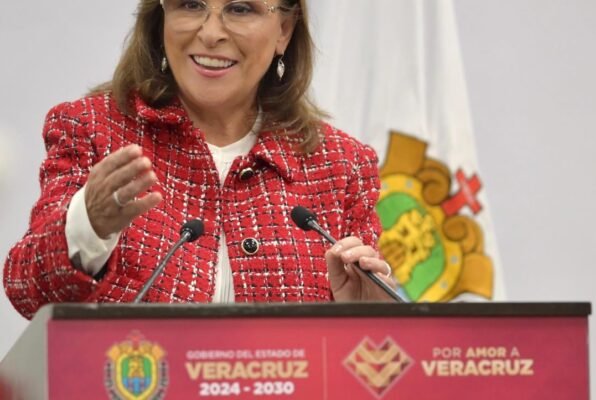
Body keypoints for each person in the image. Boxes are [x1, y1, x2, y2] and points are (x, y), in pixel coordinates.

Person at [3, 0, 395, 320]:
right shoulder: (93, 129)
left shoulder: (341, 165)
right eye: (190, 4)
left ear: (284, 30)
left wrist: (371, 317)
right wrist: (88, 225)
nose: (210, 33)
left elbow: (373, 363)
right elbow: (29, 293)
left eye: (240, 9)